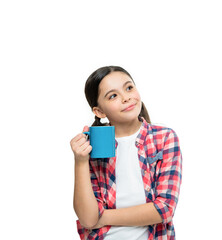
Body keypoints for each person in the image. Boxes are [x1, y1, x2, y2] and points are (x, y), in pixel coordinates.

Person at [70, 66, 182, 240]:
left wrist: (102, 217)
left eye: (129, 88)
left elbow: (164, 209)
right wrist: (80, 161)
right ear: (99, 111)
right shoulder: (93, 146)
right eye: (113, 95)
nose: (126, 97)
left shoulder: (164, 138)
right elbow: (87, 217)